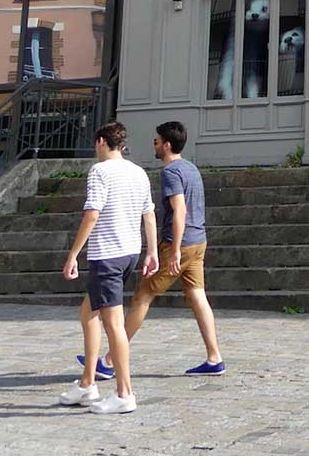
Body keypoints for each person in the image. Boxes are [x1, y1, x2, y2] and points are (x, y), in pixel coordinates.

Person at [92, 120, 225, 376]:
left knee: (142, 296)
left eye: (156, 141)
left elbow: (179, 211)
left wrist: (174, 249)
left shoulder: (170, 172)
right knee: (198, 295)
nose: (153, 144)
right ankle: (214, 357)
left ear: (166, 145)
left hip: (179, 244)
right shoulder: (191, 169)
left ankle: (109, 362)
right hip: (199, 242)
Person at [59, 121, 157, 415]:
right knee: (88, 313)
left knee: (113, 324)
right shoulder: (138, 172)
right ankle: (88, 382)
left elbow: (92, 213)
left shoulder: (99, 171)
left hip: (107, 256)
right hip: (129, 253)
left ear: (101, 141)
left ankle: (124, 392)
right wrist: (152, 252)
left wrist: (73, 253)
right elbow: (149, 213)